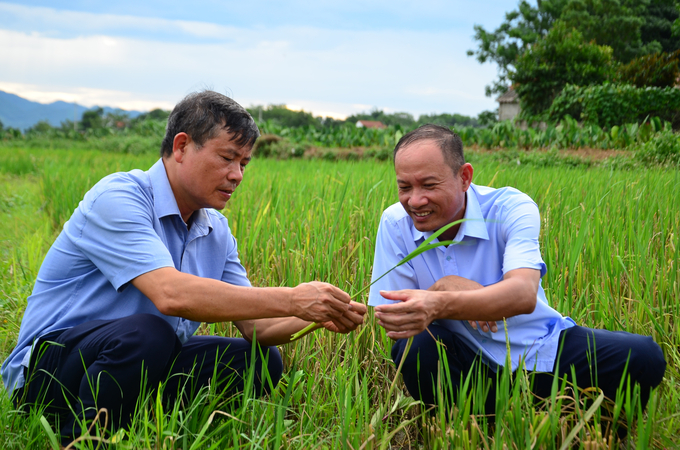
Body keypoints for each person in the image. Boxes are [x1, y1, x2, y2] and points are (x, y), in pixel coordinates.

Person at [2, 90, 366, 444]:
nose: (237, 175)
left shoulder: (215, 230)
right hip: (49, 372)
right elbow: (170, 294)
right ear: (181, 147)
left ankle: (140, 420)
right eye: (227, 158)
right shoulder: (119, 197)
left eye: (244, 163)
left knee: (259, 360)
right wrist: (293, 299)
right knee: (149, 332)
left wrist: (321, 312)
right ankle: (82, 437)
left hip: (137, 361)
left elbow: (259, 327)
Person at [368, 124, 665, 432]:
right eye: (405, 187)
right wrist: (448, 289)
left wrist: (443, 300)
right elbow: (394, 316)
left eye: (429, 185)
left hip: (539, 349)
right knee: (415, 345)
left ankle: (584, 430)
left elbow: (523, 293)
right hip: (465, 364)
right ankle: (467, 429)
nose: (415, 201)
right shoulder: (395, 223)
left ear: (464, 177)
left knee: (643, 355)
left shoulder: (510, 207)